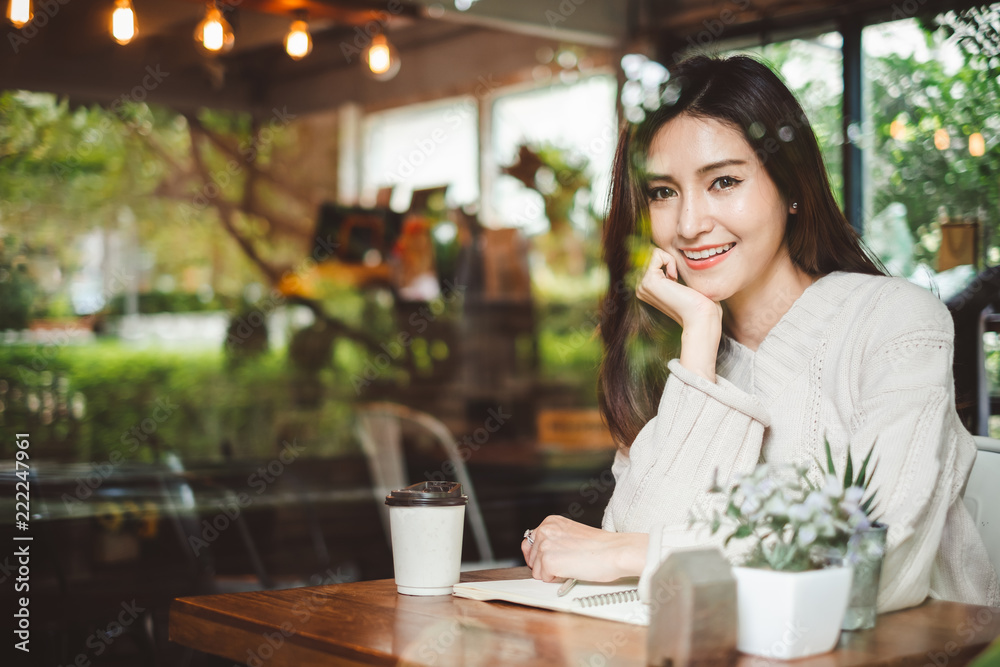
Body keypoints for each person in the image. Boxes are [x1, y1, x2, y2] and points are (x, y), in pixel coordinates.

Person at [520, 54, 1000, 610]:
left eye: (724, 181)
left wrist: (636, 554)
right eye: (662, 192)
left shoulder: (897, 322)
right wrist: (699, 343)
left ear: (790, 187)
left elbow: (873, 559)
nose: (690, 224)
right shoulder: (669, 351)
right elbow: (633, 588)